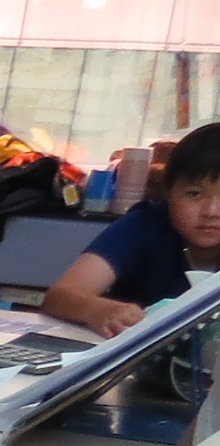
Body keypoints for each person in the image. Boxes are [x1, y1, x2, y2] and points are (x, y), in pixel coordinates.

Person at [41, 123, 220, 337]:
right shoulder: (145, 224)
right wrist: (98, 310)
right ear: (168, 191)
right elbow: (59, 296)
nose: (211, 211)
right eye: (194, 194)